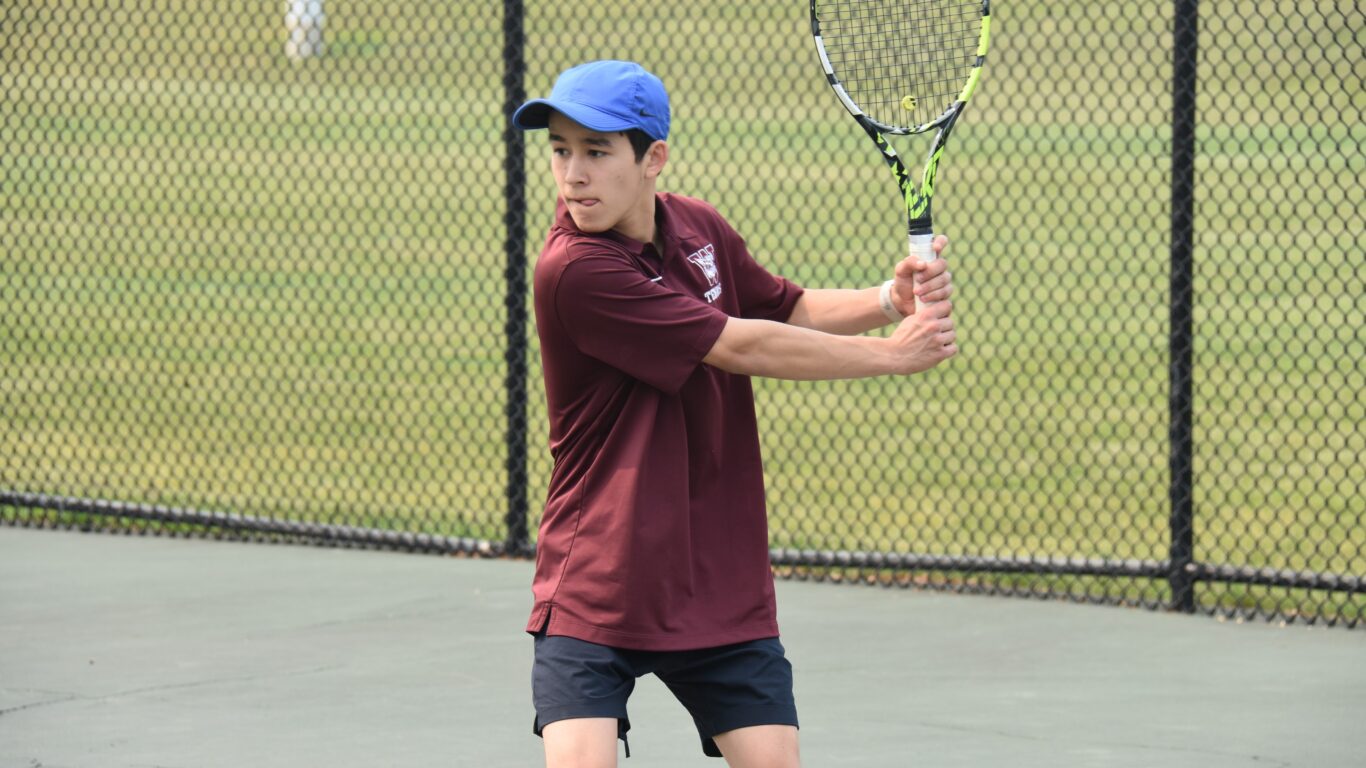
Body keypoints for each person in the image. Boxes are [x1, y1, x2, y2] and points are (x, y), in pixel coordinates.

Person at [511, 60, 956, 768]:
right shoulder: (574, 269)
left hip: (714, 575)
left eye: (596, 152)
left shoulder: (697, 226)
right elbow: (736, 342)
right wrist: (892, 356)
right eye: (561, 150)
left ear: (652, 158)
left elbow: (783, 306)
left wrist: (885, 301)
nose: (573, 175)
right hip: (600, 579)